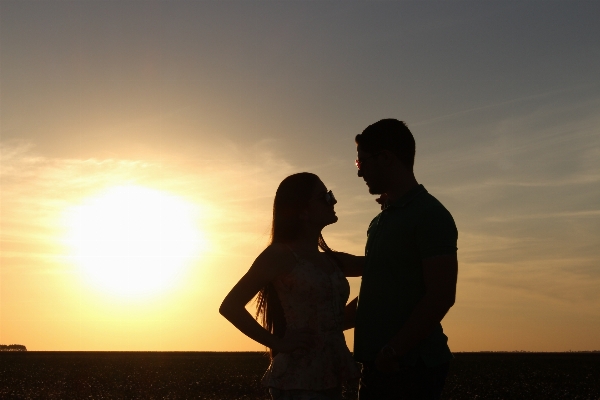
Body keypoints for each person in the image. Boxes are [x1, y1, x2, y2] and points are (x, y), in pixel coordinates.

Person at [219, 172, 363, 400]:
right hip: (297, 379)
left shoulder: (330, 260)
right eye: (325, 196)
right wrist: (278, 343)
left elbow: (378, 266)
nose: (333, 200)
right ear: (302, 211)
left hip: (333, 373)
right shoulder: (279, 255)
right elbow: (230, 306)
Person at [351, 119, 458, 399]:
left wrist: (393, 350)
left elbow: (441, 295)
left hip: (409, 368)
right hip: (380, 365)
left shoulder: (429, 215)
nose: (360, 173)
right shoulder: (381, 219)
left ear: (385, 158)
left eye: (361, 164)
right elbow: (382, 278)